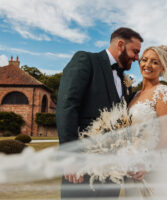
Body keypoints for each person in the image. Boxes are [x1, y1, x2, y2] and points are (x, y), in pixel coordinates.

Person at [56, 27, 143, 199]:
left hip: (113, 172)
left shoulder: (125, 82)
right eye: (135, 51)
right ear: (120, 44)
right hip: (83, 167)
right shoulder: (86, 60)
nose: (137, 57)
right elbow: (67, 106)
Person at [126, 45, 167, 199]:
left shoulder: (163, 92)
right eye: (145, 60)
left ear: (163, 69)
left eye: (155, 62)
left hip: (157, 167)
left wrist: (147, 162)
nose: (147, 65)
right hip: (133, 168)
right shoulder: (135, 96)